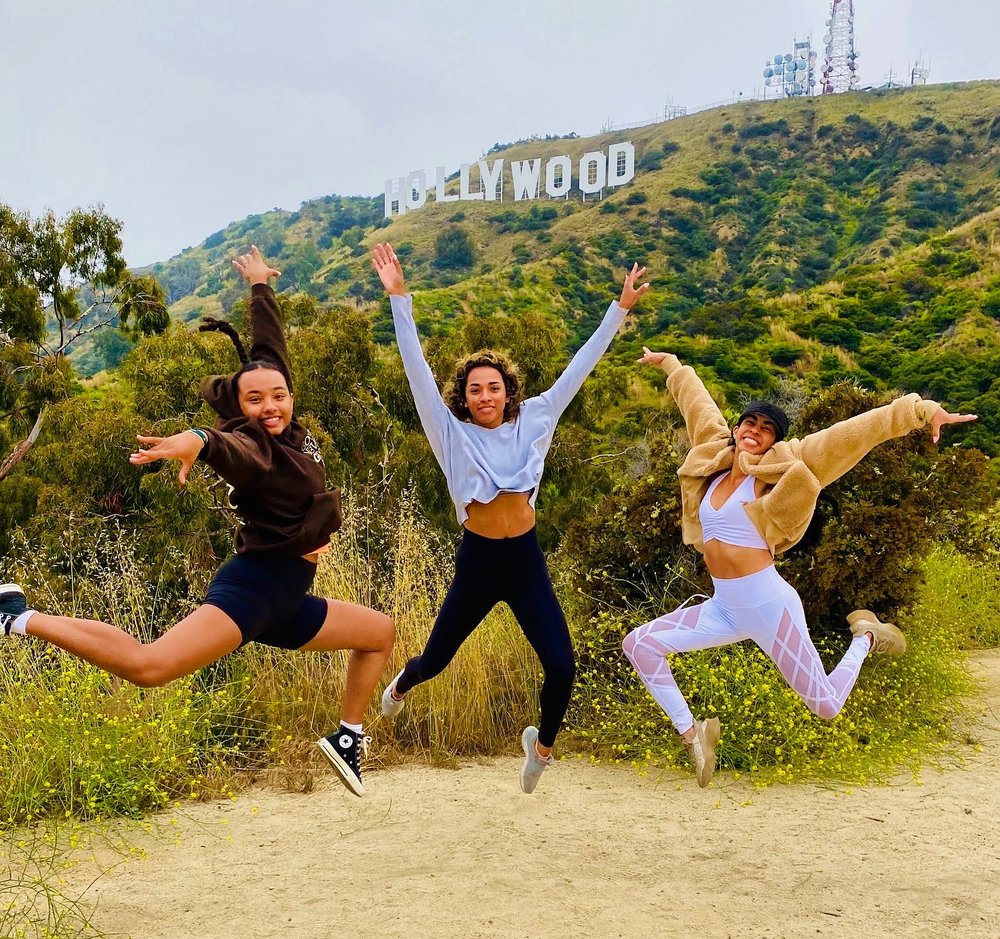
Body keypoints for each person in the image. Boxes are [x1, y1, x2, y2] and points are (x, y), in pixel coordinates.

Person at [0, 246, 394, 797]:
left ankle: (349, 737)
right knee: (149, 665)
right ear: (240, 408)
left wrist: (260, 287)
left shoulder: (286, 424)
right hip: (254, 592)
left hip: (288, 602)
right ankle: (18, 618)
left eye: (279, 394)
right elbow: (218, 443)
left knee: (379, 632)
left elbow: (267, 351)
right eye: (255, 400)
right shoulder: (255, 445)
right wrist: (194, 441)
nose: (271, 405)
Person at [621, 346, 977, 787]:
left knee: (826, 705)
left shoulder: (788, 466)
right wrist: (672, 365)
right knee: (639, 645)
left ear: (775, 440)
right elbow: (697, 404)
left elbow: (853, 433)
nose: (756, 430)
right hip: (725, 606)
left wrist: (918, 411)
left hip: (770, 605)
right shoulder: (712, 456)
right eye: (750, 422)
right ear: (737, 427)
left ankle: (866, 636)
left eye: (767, 429)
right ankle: (693, 737)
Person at [371, 242, 648, 793]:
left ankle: (540, 749)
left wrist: (619, 310)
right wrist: (400, 301)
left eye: (493, 387)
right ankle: (403, 684)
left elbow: (579, 368)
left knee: (562, 665)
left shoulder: (538, 417)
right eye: (474, 389)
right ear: (464, 397)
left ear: (508, 390)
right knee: (436, 659)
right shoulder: (450, 432)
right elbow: (416, 372)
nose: (484, 396)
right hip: (478, 561)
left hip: (524, 560)